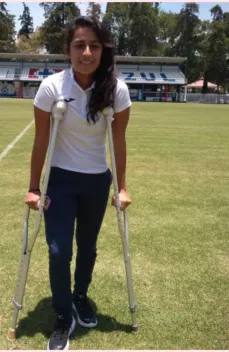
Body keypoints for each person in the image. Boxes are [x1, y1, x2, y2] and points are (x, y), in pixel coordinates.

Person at [26, 16, 132, 350]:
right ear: (68, 49)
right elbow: (42, 139)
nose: (87, 52)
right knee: (59, 251)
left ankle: (80, 295)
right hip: (60, 180)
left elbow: (119, 141)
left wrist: (122, 187)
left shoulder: (116, 90)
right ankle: (62, 314)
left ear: (104, 50)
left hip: (97, 181)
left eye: (94, 46)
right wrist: (33, 187)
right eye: (79, 45)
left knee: (87, 246)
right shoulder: (52, 87)